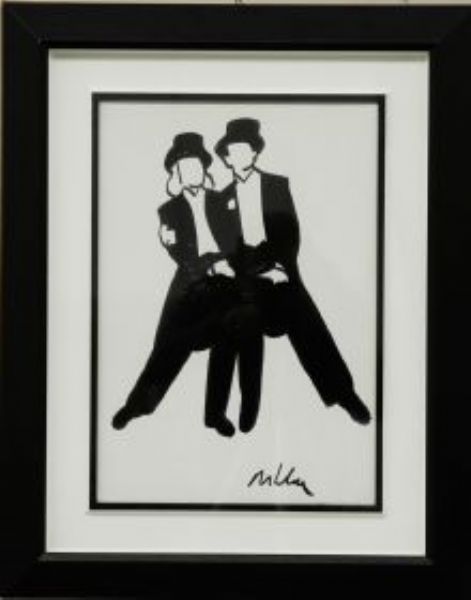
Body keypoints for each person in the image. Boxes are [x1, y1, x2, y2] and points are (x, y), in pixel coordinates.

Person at [213, 118, 371, 425]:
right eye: (233, 150)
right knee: (235, 321)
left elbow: (289, 236)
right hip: (246, 283)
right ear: (227, 157)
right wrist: (255, 269)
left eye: (246, 149)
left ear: (255, 152)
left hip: (280, 273)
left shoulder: (277, 185)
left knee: (306, 319)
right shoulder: (220, 200)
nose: (240, 155)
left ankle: (343, 394)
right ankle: (241, 410)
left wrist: (274, 267)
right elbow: (228, 248)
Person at [112, 132, 263, 436]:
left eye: (195, 165)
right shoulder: (168, 211)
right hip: (191, 282)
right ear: (176, 174)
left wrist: (235, 264)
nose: (191, 171)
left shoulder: (221, 201)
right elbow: (181, 255)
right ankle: (138, 405)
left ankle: (215, 414)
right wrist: (209, 263)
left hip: (226, 280)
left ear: (204, 168)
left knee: (234, 329)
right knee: (169, 344)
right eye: (184, 167)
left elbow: (236, 242)